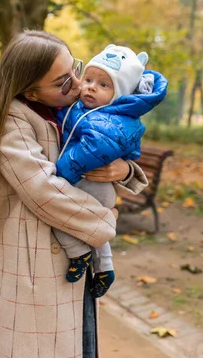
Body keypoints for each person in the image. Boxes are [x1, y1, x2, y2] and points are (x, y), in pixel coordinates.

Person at [0, 31, 157, 358]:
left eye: (75, 70)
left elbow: (106, 145)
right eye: (63, 82)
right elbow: (44, 190)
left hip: (68, 267)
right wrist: (105, 221)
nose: (79, 85)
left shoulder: (69, 110)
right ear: (31, 92)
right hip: (32, 271)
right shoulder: (12, 123)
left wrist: (124, 170)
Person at [52, 45, 167, 298]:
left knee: (60, 215)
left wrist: (59, 174)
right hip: (89, 181)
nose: (91, 87)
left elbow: (93, 150)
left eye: (104, 85)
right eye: (89, 79)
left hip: (93, 184)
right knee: (89, 225)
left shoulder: (113, 121)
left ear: (120, 95)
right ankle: (104, 267)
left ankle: (78, 252)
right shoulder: (87, 109)